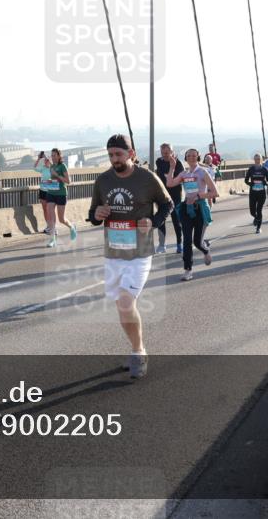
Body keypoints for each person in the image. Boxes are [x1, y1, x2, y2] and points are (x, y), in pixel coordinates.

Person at [88, 134, 172, 379]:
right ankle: (136, 348)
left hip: (140, 252)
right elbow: (93, 214)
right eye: (111, 155)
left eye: (119, 154)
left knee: (126, 301)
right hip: (113, 253)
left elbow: (167, 204)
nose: (115, 159)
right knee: (122, 307)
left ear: (131, 153)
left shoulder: (147, 178)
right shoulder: (103, 181)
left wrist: (153, 221)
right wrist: (98, 214)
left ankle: (138, 351)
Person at [166, 148, 217, 281]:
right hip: (187, 209)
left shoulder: (203, 172)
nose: (192, 158)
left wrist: (200, 195)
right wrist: (172, 167)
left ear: (198, 157)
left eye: (195, 155)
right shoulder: (184, 173)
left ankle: (205, 250)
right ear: (186, 158)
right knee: (187, 240)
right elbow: (169, 183)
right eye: (189, 156)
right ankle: (187, 270)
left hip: (200, 209)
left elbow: (214, 192)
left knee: (197, 241)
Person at [154, 143, 184, 254]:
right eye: (162, 153)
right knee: (161, 220)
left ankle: (179, 244)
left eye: (167, 153)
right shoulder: (159, 162)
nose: (165, 155)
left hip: (176, 195)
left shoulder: (178, 163)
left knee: (177, 220)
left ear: (172, 152)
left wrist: (169, 175)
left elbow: (178, 178)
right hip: (163, 195)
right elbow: (162, 177)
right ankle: (162, 245)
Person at [44, 148, 76, 248]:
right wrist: (50, 180)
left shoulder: (63, 166)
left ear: (58, 156)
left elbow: (68, 181)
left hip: (61, 193)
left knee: (61, 219)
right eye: (51, 155)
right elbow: (53, 179)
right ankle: (52, 240)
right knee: (51, 217)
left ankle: (71, 227)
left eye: (54, 155)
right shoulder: (52, 166)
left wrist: (57, 175)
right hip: (51, 192)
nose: (52, 157)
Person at [245, 153, 268, 233]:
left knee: (259, 210)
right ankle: (256, 218)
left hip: (261, 193)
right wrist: (250, 184)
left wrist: (265, 183)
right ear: (254, 160)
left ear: (261, 160)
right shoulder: (251, 169)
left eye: (258, 159)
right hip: (253, 193)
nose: (257, 160)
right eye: (256, 159)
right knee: (252, 212)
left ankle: (258, 228)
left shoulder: (264, 169)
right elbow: (246, 180)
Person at [34, 151, 55, 236]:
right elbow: (34, 168)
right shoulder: (43, 168)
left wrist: (48, 160)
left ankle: (53, 227)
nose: (46, 161)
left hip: (50, 190)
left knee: (51, 210)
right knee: (45, 209)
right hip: (43, 190)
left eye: (47, 160)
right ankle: (48, 226)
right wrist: (39, 158)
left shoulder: (53, 168)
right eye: (45, 160)